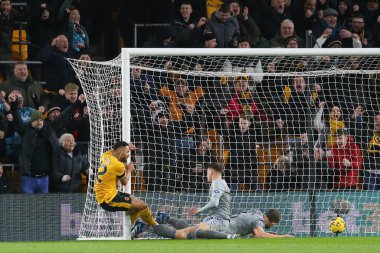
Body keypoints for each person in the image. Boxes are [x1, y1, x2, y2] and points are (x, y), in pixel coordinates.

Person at [94, 141, 159, 230]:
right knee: (142, 206)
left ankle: (137, 229)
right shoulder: (118, 165)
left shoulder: (106, 156)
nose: (128, 155)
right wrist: (129, 169)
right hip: (108, 200)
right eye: (127, 152)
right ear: (120, 152)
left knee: (139, 203)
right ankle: (154, 227)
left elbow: (114, 148)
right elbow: (124, 182)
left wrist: (127, 146)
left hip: (110, 194)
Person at [142, 208, 293, 239]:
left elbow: (256, 233)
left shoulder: (255, 212)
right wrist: (282, 237)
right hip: (219, 227)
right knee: (188, 236)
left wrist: (269, 234)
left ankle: (166, 218)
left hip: (218, 221)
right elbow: (259, 234)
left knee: (189, 230)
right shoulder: (258, 221)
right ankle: (149, 226)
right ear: (272, 222)